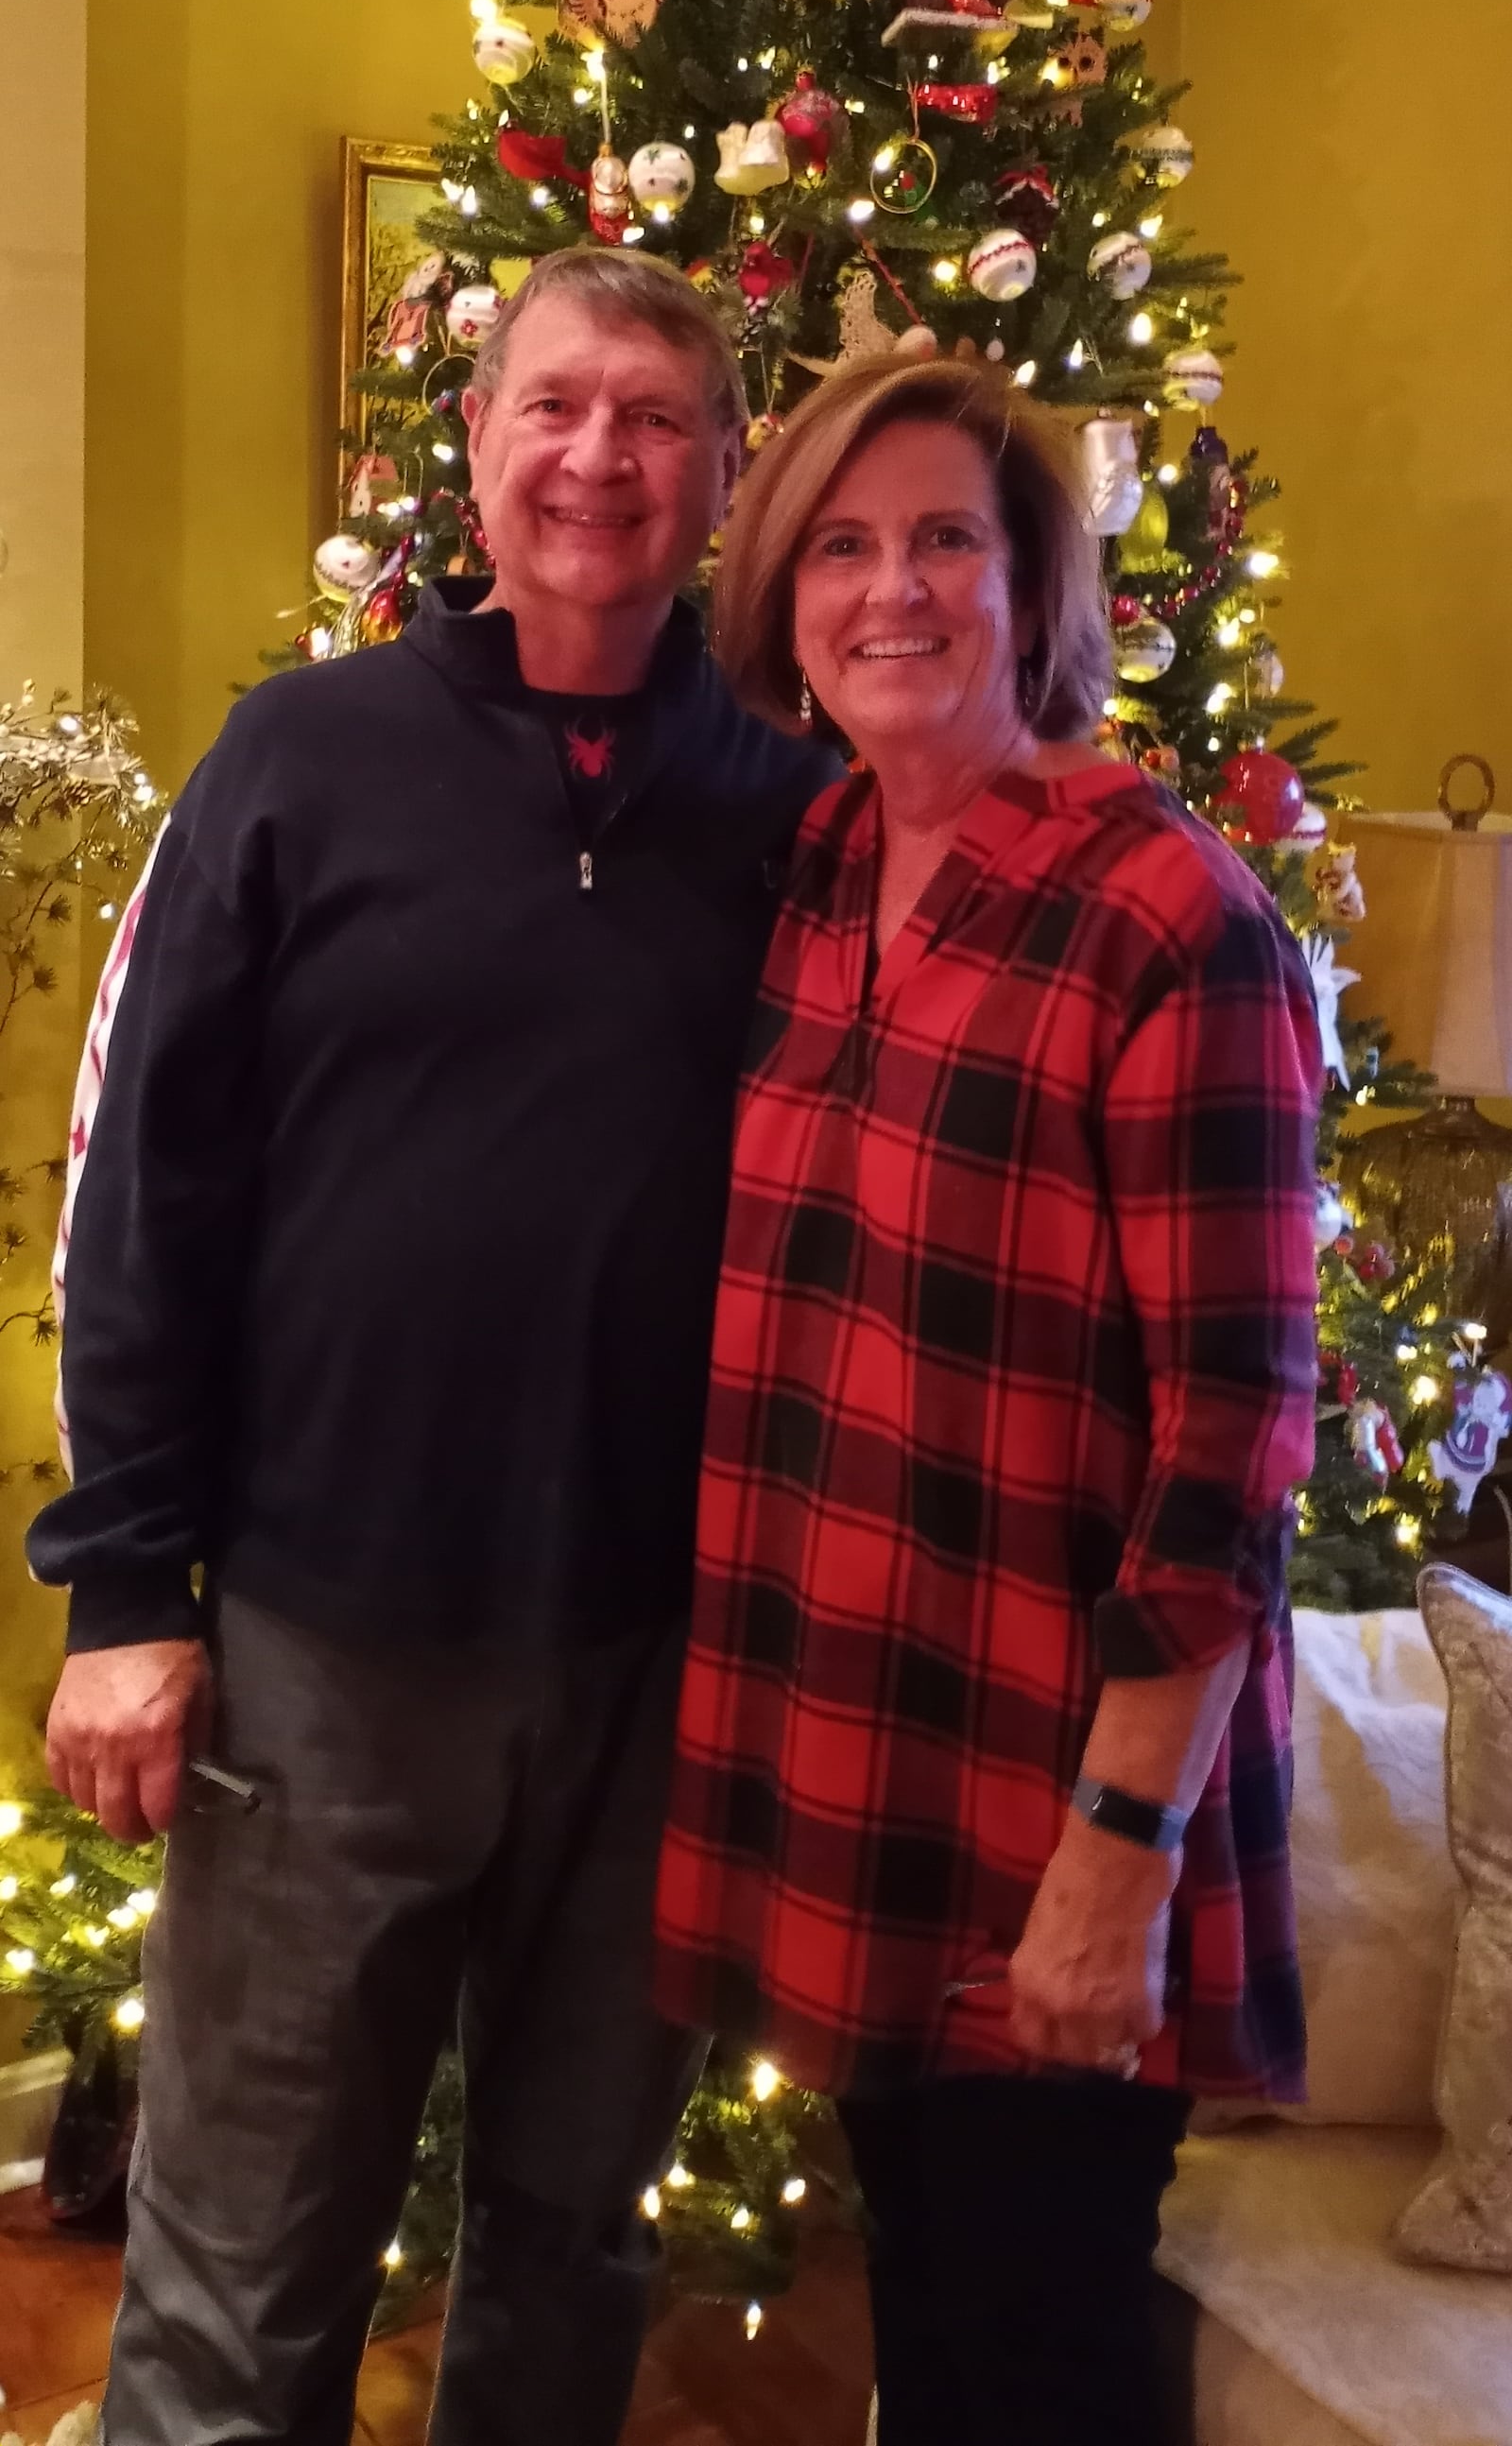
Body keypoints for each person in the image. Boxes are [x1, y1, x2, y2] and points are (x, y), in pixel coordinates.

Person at [28, 246, 839, 2446]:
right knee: (240, 2265)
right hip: (324, 1649)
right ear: (472, 454)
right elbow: (142, 1193)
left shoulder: (795, 817)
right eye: (554, 407)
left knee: (574, 2248)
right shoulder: (295, 761)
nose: (600, 459)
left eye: (656, 420)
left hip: (658, 1662)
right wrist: (123, 1589)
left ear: (721, 478)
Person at [654, 355, 1321, 2446]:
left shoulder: (1165, 913)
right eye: (840, 546)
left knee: (1028, 2359)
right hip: (860, 1760)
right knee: (932, 2317)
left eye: (945, 537)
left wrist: (1119, 1845)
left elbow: (1234, 1438)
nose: (891, 591)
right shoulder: (817, 867)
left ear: (1031, 584)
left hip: (1062, 1790)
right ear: (776, 598)